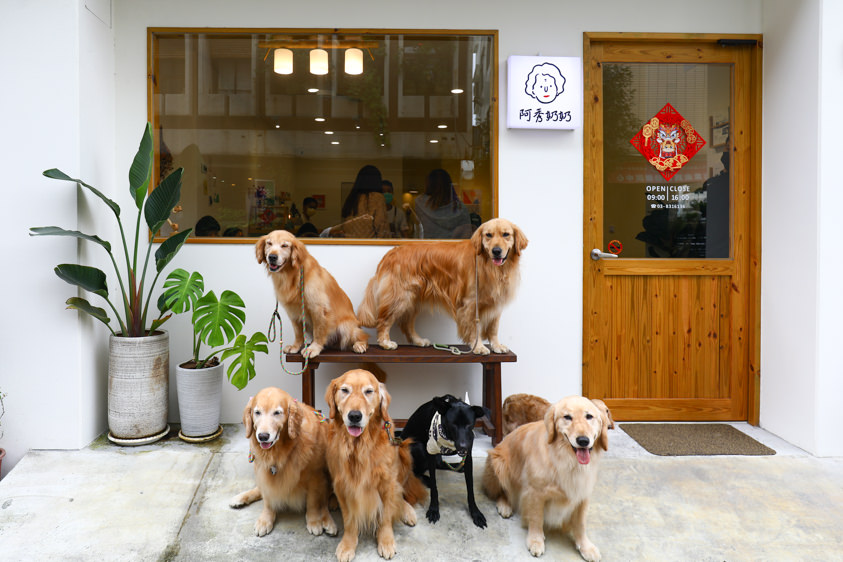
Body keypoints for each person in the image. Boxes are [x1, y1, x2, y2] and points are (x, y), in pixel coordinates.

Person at [414, 169, 472, 239]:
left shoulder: (419, 203)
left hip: (427, 248)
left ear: (428, 185)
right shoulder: (461, 208)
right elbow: (467, 236)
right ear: (449, 186)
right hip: (453, 248)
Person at [336, 165, 389, 238]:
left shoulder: (352, 198)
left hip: (349, 245)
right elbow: (382, 227)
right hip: (367, 246)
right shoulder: (377, 197)